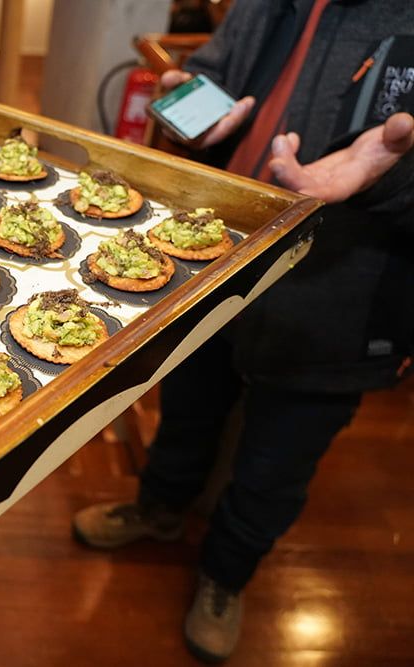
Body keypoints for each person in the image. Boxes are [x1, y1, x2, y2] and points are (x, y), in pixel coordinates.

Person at [72, 0, 414, 662]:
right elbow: (217, 71)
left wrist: (388, 179)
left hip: (338, 305)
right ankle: (159, 509)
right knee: (186, 414)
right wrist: (193, 100)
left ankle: (225, 576)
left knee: (274, 467)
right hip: (220, 266)